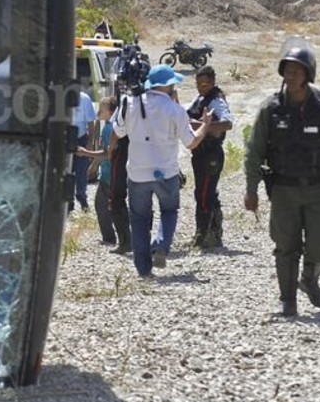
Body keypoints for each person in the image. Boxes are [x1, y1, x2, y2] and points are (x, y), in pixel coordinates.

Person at [244, 46, 320, 317]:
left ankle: (309, 277)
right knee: (285, 245)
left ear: (308, 74)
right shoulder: (271, 109)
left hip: (319, 188)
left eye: (296, 70)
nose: (290, 75)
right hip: (283, 189)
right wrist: (251, 189)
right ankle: (287, 299)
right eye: (287, 70)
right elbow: (253, 152)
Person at [113, 65, 212, 277]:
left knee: (138, 218)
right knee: (169, 211)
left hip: (137, 173)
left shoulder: (130, 103)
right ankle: (160, 244)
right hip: (166, 172)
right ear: (169, 85)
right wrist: (205, 125)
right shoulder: (175, 110)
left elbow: (118, 131)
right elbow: (191, 143)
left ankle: (143, 268)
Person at [186, 66, 233, 248]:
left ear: (213, 82)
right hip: (199, 153)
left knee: (204, 195)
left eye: (204, 84)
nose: (200, 87)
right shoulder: (200, 99)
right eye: (198, 84)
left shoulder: (216, 101)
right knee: (205, 193)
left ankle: (204, 236)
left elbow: (227, 124)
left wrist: (202, 126)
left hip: (210, 154)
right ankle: (212, 233)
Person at [76, 97, 120, 245]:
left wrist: (87, 156)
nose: (98, 112)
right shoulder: (113, 125)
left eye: (101, 109)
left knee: (101, 205)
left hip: (108, 174)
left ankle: (110, 238)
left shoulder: (109, 129)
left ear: (110, 111)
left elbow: (107, 153)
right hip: (113, 173)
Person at [70, 78, 98, 214]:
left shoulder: (85, 99)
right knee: (67, 172)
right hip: (65, 140)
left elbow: (91, 123)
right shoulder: (59, 99)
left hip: (81, 139)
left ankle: (82, 197)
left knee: (81, 172)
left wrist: (90, 142)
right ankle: (68, 202)